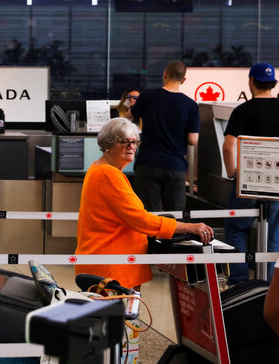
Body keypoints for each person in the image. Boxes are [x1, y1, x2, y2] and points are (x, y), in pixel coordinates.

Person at [75, 118, 213, 289]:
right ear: (107, 145)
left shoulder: (98, 169)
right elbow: (139, 219)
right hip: (112, 271)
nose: (131, 146)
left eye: (134, 142)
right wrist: (187, 227)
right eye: (124, 141)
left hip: (106, 265)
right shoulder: (108, 175)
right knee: (118, 316)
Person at [222, 63, 279, 284]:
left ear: (251, 82)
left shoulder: (243, 110)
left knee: (236, 228)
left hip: (247, 182)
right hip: (275, 183)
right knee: (273, 233)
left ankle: (240, 281)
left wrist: (233, 173)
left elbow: (228, 146)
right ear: (273, 84)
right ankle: (269, 283)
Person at [130, 60, 200, 212]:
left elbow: (129, 117)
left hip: (148, 162)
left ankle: (149, 237)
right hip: (176, 166)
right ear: (184, 80)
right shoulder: (191, 105)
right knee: (174, 216)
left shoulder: (148, 96)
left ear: (165, 75)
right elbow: (192, 140)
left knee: (146, 213)